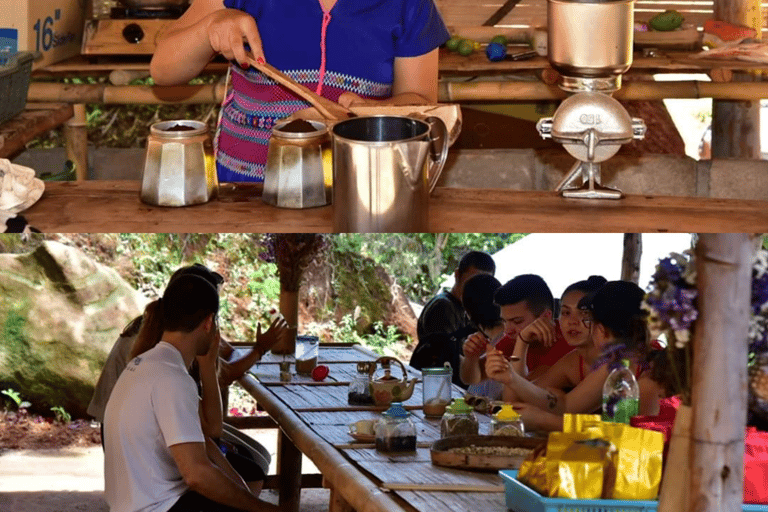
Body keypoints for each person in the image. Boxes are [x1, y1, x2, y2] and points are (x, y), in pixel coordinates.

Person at [150, 0, 450, 182]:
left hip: (354, 190)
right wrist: (210, 27)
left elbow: (421, 102)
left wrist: (369, 113)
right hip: (243, 190)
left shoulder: (411, 5)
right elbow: (163, 70)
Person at [90, 264, 287, 488]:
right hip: (135, 444)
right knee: (251, 466)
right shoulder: (163, 349)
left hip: (134, 434)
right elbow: (216, 401)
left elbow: (222, 358)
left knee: (252, 458)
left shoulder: (166, 326)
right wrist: (259, 349)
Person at [485, 280, 666, 433]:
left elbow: (620, 435)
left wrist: (544, 421)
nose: (575, 322)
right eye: (565, 312)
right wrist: (511, 378)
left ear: (600, 329)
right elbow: (566, 406)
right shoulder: (624, 361)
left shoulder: (644, 373)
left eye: (587, 319)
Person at [410, 251, 495, 385]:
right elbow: (445, 357)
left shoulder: (473, 312)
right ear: (457, 275)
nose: (477, 291)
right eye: (471, 283)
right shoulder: (442, 307)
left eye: (483, 285)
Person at [457, 273, 504, 400]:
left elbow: (471, 381)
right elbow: (470, 379)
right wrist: (471, 357)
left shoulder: (506, 341)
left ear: (468, 313)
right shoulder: (494, 342)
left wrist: (471, 358)